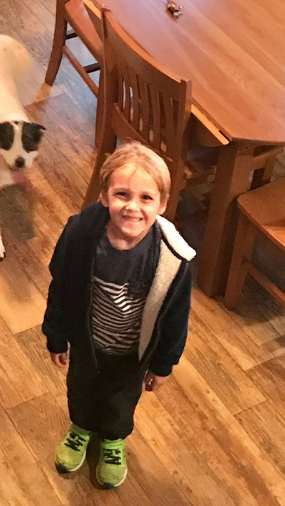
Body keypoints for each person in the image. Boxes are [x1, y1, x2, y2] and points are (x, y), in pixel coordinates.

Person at [43, 143, 194, 490]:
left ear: (162, 204)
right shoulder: (80, 234)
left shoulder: (173, 258)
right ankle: (80, 427)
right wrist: (57, 334)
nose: (132, 207)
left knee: (121, 400)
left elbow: (176, 319)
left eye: (146, 198)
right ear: (104, 196)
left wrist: (163, 365)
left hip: (133, 354)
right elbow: (61, 284)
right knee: (80, 389)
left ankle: (113, 440)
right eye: (122, 194)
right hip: (88, 341)